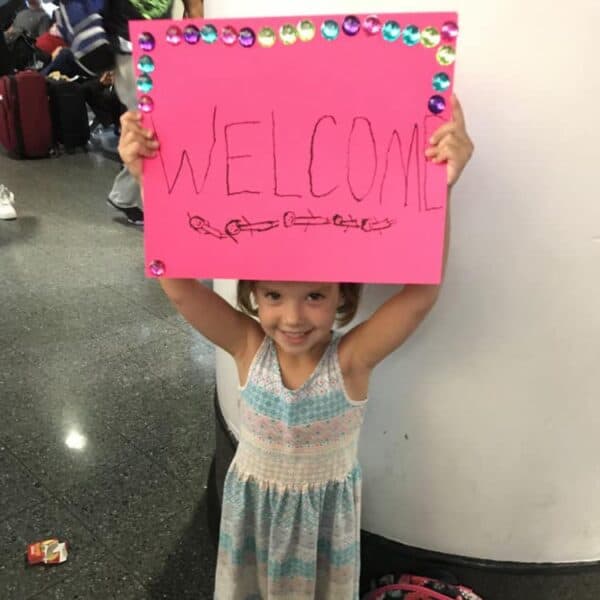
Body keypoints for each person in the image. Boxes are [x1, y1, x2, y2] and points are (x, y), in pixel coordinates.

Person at [118, 95, 474, 598]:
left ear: (340, 297)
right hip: (253, 527)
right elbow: (177, 285)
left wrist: (442, 188)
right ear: (253, 296)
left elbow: (421, 295)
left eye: (314, 296)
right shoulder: (247, 346)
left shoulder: (350, 362)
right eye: (273, 296)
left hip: (323, 535)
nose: (292, 316)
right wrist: (148, 182)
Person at [103, 0, 202, 226]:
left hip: (158, 49)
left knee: (152, 131)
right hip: (129, 51)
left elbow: (195, 9)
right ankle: (129, 197)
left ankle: (127, 196)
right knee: (147, 130)